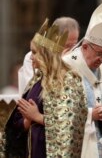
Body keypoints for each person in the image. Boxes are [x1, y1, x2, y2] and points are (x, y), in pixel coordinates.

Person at [5, 19, 87, 158]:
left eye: (34, 52)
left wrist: (37, 117)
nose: (31, 57)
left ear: (46, 54)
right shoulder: (37, 79)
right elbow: (19, 121)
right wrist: (26, 121)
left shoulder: (68, 80)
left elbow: (71, 125)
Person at [62, 1, 102, 158]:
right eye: (99, 53)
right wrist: (90, 114)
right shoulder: (65, 67)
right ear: (84, 47)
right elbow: (56, 108)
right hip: (74, 144)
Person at [18, 17, 80, 95]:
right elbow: (33, 90)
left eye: (75, 45)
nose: (72, 50)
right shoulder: (33, 57)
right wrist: (61, 62)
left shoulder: (77, 56)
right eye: (67, 45)